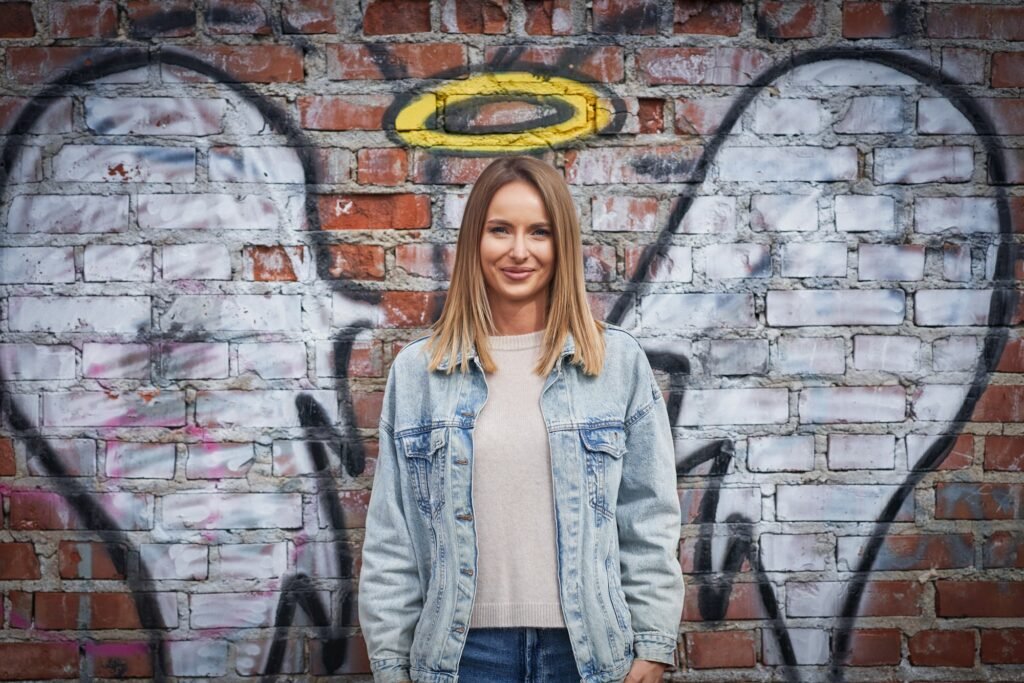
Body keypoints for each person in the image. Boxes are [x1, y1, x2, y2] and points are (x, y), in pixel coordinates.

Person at [358, 156, 684, 683]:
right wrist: (392, 666)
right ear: (474, 242)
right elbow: (392, 541)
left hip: (587, 657)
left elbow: (648, 519)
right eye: (500, 230)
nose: (518, 250)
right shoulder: (419, 372)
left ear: (562, 247)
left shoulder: (616, 364)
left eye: (539, 232)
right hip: (462, 658)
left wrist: (651, 647)